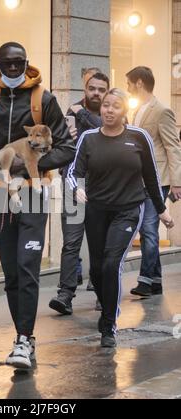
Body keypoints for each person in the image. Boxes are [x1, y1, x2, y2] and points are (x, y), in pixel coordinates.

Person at [0, 41, 75, 369]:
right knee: (10, 273)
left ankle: (23, 340)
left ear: (26, 62)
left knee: (27, 266)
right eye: (6, 64)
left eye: (18, 63)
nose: (13, 70)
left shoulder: (43, 99)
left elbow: (67, 146)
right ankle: (25, 337)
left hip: (33, 193)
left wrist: (32, 162)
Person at [67, 88, 174, 348]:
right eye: (106, 105)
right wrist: (77, 188)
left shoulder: (139, 137)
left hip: (128, 210)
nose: (109, 110)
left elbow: (151, 177)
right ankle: (108, 303)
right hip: (96, 210)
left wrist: (161, 210)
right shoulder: (89, 138)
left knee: (111, 263)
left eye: (115, 106)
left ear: (124, 111)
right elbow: (74, 171)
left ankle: (108, 325)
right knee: (97, 268)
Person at [49, 72, 109, 315]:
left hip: (104, 187)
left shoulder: (110, 110)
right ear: (85, 88)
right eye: (92, 88)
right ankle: (65, 294)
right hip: (75, 184)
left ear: (107, 91)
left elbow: (104, 130)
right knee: (71, 242)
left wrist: (82, 115)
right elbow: (60, 142)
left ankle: (103, 293)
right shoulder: (70, 112)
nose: (96, 93)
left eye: (101, 89)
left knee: (102, 243)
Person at [126, 66, 181, 297]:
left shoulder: (162, 111)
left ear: (139, 83)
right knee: (147, 227)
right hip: (139, 178)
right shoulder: (137, 109)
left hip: (157, 178)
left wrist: (177, 182)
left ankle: (146, 281)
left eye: (129, 83)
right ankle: (156, 280)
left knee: (148, 228)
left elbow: (172, 146)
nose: (127, 88)